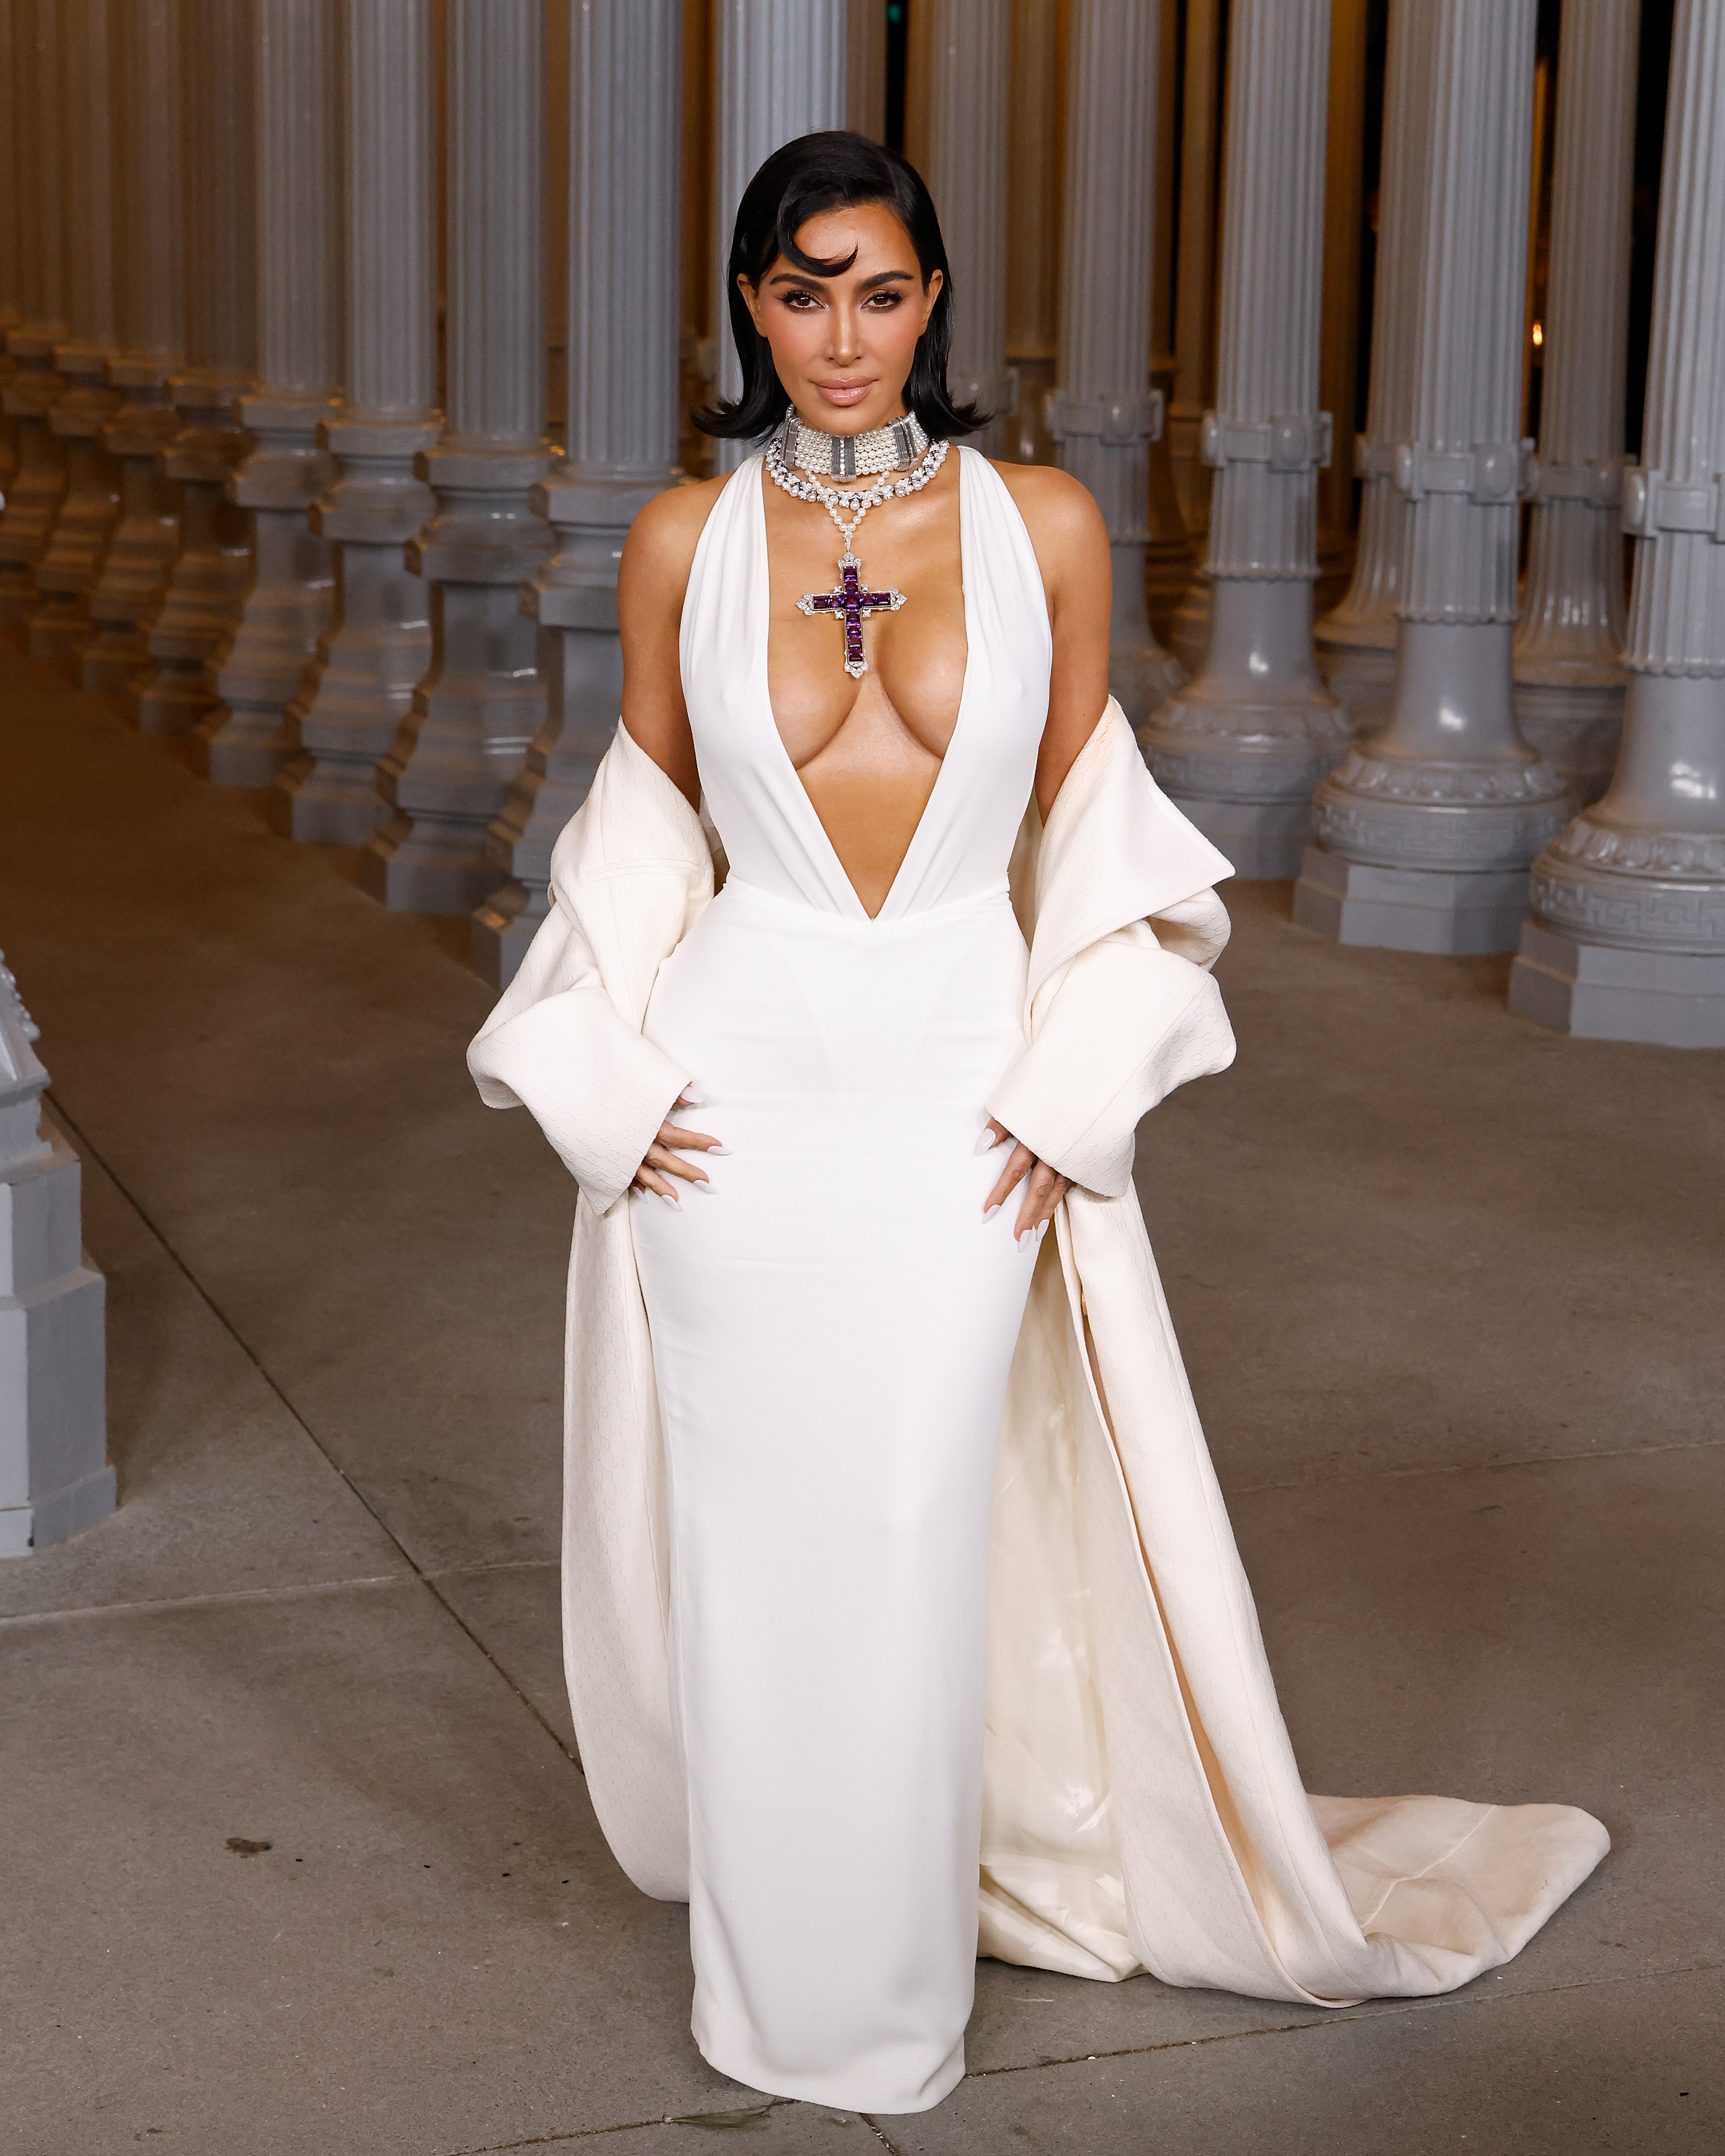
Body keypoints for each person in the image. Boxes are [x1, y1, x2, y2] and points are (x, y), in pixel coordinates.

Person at [469, 132, 1608, 2118]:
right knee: (758, 1548)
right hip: (733, 1110)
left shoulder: (1044, 526)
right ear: (752, 303)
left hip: (958, 1096)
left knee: (914, 1527)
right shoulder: (684, 541)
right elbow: (638, 830)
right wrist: (600, 1081)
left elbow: (1100, 832)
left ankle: (887, 2002)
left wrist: (1080, 1087)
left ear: (934, 302)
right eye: (805, 290)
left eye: (883, 291)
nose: (845, 333)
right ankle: (774, 1992)